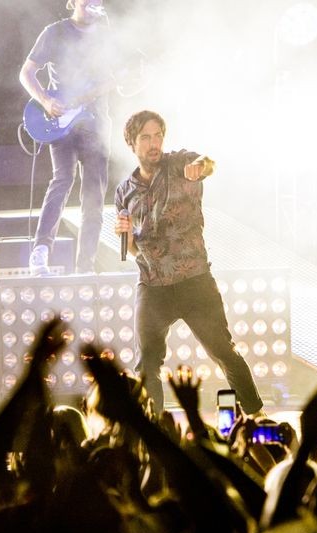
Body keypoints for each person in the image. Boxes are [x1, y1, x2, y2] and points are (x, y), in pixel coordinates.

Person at [113, 110, 264, 416]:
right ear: (132, 143)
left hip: (194, 281)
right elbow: (130, 252)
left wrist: (200, 168)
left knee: (223, 351)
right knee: (147, 362)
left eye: (158, 136)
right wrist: (126, 236)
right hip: (153, 285)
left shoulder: (178, 163)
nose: (154, 143)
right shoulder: (123, 192)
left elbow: (206, 163)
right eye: (146, 138)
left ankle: (256, 414)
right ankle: (152, 427)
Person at [20, 0, 116, 276]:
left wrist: (129, 77)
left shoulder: (108, 37)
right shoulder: (56, 31)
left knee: (94, 196)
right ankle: (40, 253)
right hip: (61, 119)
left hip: (96, 122)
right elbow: (26, 73)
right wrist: (45, 100)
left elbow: (119, 77)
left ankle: (85, 268)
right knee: (62, 179)